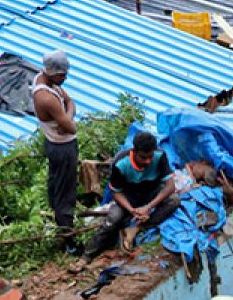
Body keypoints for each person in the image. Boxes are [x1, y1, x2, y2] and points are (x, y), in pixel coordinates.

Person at [83, 132, 179, 260]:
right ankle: (86, 256)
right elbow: (116, 192)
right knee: (113, 219)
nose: (148, 161)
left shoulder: (160, 155)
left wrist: (148, 208)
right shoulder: (120, 163)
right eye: (144, 158)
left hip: (151, 193)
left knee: (174, 201)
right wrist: (131, 210)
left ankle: (137, 228)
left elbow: (170, 186)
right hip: (129, 198)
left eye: (150, 157)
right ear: (134, 151)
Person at [32, 50, 79, 252]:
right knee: (64, 193)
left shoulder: (52, 84)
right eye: (61, 75)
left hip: (59, 144)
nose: (65, 78)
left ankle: (60, 224)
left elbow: (71, 102)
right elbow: (72, 128)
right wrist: (67, 120)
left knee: (57, 187)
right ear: (50, 72)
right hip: (62, 147)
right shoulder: (45, 97)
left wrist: (67, 116)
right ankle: (68, 240)